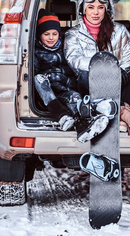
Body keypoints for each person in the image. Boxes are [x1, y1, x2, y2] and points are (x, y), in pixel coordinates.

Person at [64, 0, 130, 134]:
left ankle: (111, 113)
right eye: (91, 7)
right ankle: (122, 113)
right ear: (83, 10)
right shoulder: (73, 34)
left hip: (120, 80)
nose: (95, 12)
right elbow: (74, 60)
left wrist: (116, 73)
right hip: (91, 81)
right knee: (83, 76)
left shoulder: (120, 30)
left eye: (100, 7)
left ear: (106, 9)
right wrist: (101, 69)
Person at [34, 8, 116, 143]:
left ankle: (83, 125)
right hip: (49, 90)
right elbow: (34, 74)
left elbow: (75, 66)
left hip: (66, 88)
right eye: (46, 34)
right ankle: (62, 116)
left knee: (75, 97)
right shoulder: (36, 52)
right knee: (38, 79)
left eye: (54, 33)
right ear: (39, 35)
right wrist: (47, 77)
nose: (51, 38)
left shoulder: (66, 47)